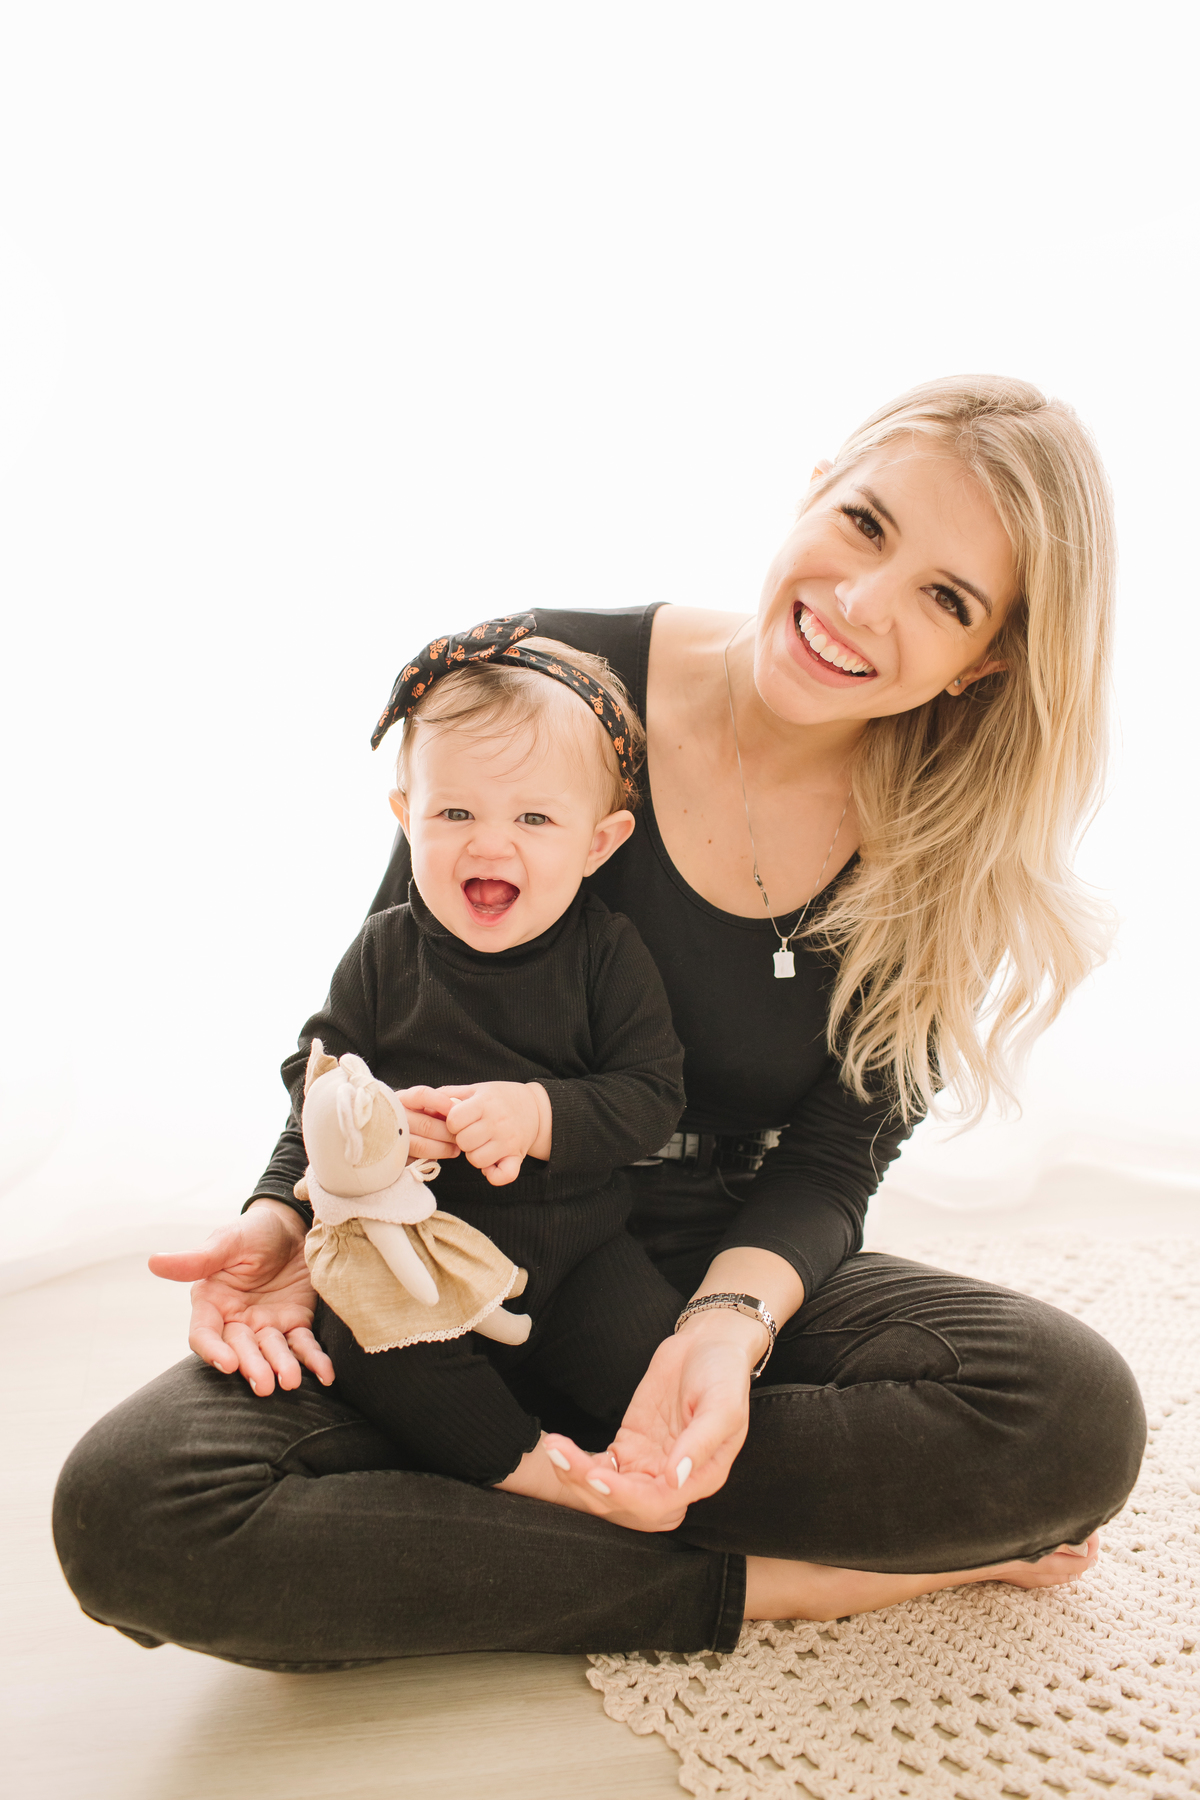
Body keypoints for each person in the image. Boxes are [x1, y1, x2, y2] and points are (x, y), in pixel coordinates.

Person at [54, 375, 1145, 1669]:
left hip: (699, 1265)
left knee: (1070, 1421)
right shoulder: (543, 682)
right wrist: (288, 1212)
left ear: (992, 660)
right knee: (135, 1512)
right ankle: (761, 1582)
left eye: (947, 599)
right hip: (442, 1253)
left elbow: (833, 1160)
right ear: (814, 489)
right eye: (865, 524)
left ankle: (482, 1513)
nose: (862, 602)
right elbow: (382, 1011)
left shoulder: (950, 841)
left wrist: (724, 1332)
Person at [280, 631, 689, 1487]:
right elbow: (314, 1072)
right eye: (456, 815)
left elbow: (652, 1094)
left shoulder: (606, 954)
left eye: (534, 819)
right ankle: (527, 1470)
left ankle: (633, 1475)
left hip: (578, 1258)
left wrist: (538, 1115)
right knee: (363, 1339)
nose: (491, 846)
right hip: (417, 1252)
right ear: (407, 818)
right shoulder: (385, 950)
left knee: (661, 1368)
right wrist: (376, 1118)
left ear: (599, 843)